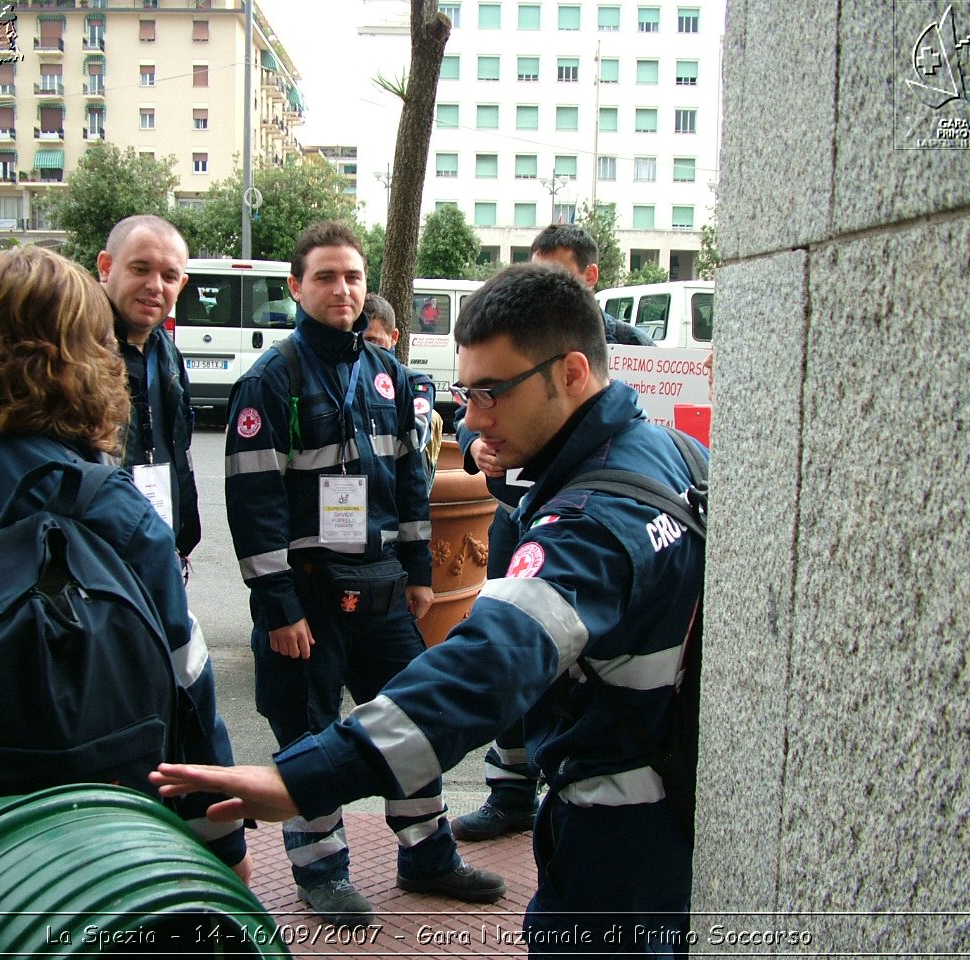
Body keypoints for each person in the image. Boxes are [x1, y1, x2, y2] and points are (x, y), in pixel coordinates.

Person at [154, 262, 706, 955]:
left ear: (570, 373)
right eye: (464, 393)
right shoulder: (674, 452)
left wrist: (301, 779)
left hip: (613, 837)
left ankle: (422, 849)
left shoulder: (591, 523)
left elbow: (485, 667)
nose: (471, 419)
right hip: (672, 819)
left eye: (490, 393)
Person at [0, 247, 250, 886]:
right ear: (90, 352)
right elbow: (187, 691)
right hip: (26, 853)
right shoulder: (100, 504)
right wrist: (222, 846)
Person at [222, 221, 504, 926]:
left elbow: (411, 486)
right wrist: (279, 607)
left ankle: (427, 855)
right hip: (306, 596)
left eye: (352, 276)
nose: (342, 288)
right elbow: (253, 505)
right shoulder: (270, 380)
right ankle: (322, 873)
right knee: (308, 733)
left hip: (380, 585)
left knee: (413, 720)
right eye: (325, 276)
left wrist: (417, 574)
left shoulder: (392, 377)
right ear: (295, 286)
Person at [451, 221, 656, 842]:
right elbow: (470, 429)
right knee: (517, 641)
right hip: (518, 523)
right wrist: (476, 452)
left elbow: (480, 671)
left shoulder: (627, 351)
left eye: (555, 275)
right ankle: (511, 784)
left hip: (580, 528)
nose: (539, 287)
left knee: (545, 652)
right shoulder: (505, 354)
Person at [96, 215, 201, 560]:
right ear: (106, 267)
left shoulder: (167, 351)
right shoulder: (75, 351)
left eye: (169, 276)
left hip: (160, 553)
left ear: (181, 285)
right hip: (100, 561)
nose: (155, 286)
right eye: (140, 269)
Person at [362, 292, 443, 489]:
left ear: (394, 337)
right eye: (358, 340)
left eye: (373, 341)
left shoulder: (415, 383)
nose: (365, 350)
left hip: (401, 488)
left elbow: (415, 438)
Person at [530, 222, 654, 346]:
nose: (543, 288)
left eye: (556, 277)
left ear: (590, 275)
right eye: (535, 276)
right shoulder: (520, 340)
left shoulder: (634, 343)